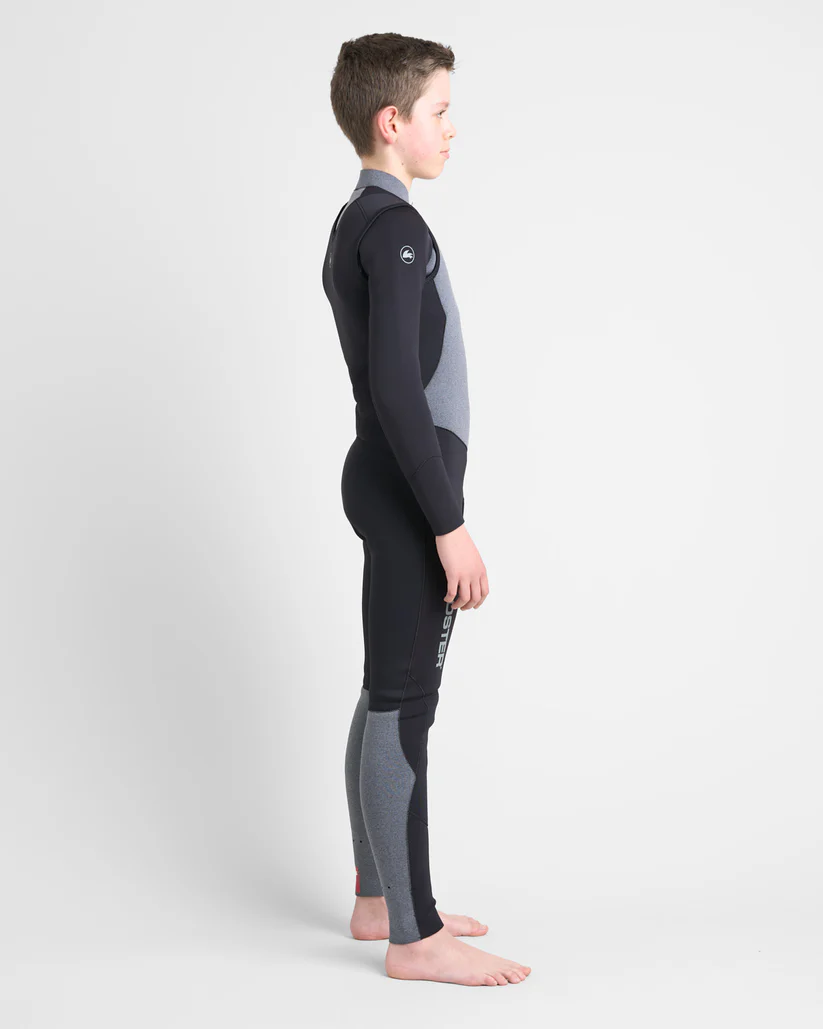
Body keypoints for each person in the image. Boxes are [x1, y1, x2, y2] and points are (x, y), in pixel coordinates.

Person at [323, 32, 531, 987]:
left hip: (388, 477)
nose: (452, 129)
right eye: (439, 111)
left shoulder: (357, 220)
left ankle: (379, 896)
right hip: (411, 491)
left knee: (385, 691)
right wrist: (448, 524)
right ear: (391, 120)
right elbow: (399, 390)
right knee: (407, 702)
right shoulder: (395, 227)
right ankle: (414, 935)